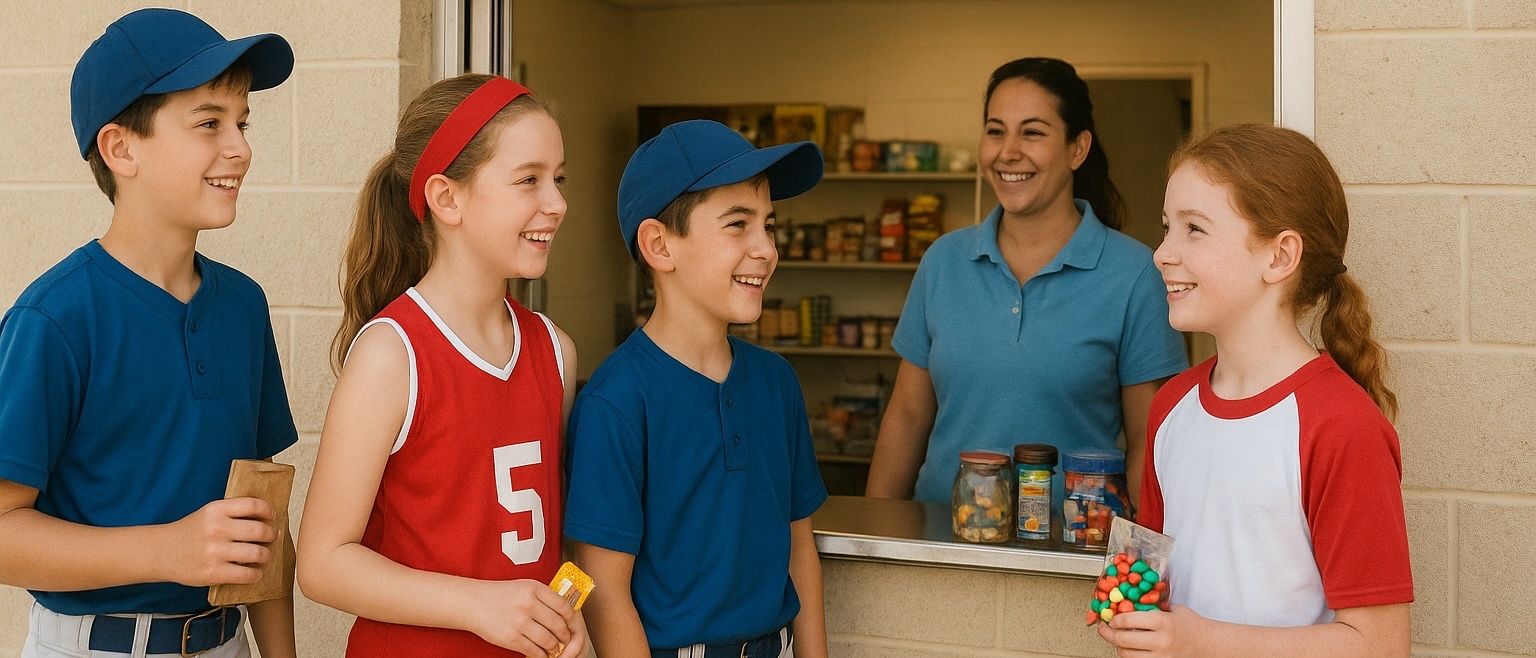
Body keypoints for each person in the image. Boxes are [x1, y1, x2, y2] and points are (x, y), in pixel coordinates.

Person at [0, 8, 298, 658]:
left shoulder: (244, 307)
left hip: (228, 644)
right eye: (209, 123)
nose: (240, 146)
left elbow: (260, 522)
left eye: (241, 122)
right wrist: (167, 550)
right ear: (120, 148)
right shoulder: (54, 318)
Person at [295, 74, 585, 658]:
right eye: (528, 179)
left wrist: (563, 615)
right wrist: (479, 605)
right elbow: (322, 564)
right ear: (446, 198)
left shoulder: (555, 350)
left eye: (557, 179)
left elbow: (539, 540)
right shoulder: (392, 353)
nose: (555, 203)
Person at [1099, 124, 1412, 657]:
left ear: (1279, 257)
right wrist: (1130, 609)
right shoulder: (1171, 406)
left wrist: (1201, 642)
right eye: (1166, 227)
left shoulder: (1341, 426)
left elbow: (1380, 646)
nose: (1161, 253)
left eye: (1194, 229)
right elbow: (1144, 572)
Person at [866, 57, 1187, 504]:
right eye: (995, 131)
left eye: (1032, 132)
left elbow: (1146, 442)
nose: (1008, 151)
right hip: (940, 543)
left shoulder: (1135, 273)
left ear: (1078, 148)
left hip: (1071, 550)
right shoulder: (943, 261)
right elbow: (905, 419)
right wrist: (878, 539)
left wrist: (1135, 559)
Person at [564, 119, 829, 658]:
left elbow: (800, 546)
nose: (766, 249)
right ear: (660, 245)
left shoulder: (776, 383)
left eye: (769, 226)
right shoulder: (617, 401)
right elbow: (602, 587)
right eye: (738, 225)